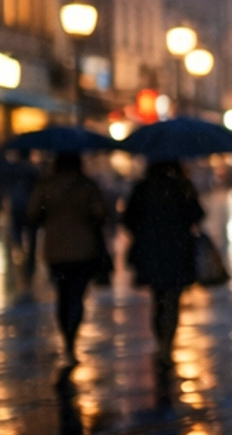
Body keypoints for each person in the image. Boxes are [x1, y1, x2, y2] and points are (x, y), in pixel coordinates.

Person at [27, 150, 111, 371]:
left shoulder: (46, 185)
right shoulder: (86, 186)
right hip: (83, 249)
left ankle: (67, 339)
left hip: (55, 250)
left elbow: (33, 213)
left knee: (63, 295)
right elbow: (101, 213)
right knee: (76, 295)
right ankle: (72, 338)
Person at [123, 156, 203, 359]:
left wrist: (145, 232)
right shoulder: (182, 187)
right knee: (173, 298)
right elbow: (197, 214)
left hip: (152, 250)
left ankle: (161, 342)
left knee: (157, 297)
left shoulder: (144, 188)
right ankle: (167, 343)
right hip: (177, 249)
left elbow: (128, 218)